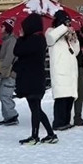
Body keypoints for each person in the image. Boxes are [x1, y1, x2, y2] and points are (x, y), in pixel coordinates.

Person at [13, 14, 57, 145]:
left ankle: (35, 136)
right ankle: (50, 134)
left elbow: (18, 51)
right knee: (37, 107)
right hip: (35, 78)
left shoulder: (35, 39)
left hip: (32, 79)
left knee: (35, 107)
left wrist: (20, 38)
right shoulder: (39, 38)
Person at [46, 10, 81, 132]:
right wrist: (64, 28)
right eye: (66, 22)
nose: (68, 25)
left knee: (69, 97)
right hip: (60, 70)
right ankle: (58, 122)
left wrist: (74, 40)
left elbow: (75, 52)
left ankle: (66, 121)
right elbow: (51, 38)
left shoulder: (66, 38)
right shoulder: (51, 32)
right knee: (61, 97)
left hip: (70, 71)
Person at [0, 19, 19, 126]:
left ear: (7, 28)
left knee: (5, 94)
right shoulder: (6, 40)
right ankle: (7, 116)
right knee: (2, 93)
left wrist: (2, 69)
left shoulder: (12, 40)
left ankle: (12, 116)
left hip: (9, 72)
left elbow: (9, 57)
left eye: (3, 26)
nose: (0, 28)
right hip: (6, 72)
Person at [71, 25, 83, 127]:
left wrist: (82, 29)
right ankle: (64, 116)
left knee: (80, 92)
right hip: (68, 67)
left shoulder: (76, 34)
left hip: (79, 65)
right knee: (69, 93)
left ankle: (78, 116)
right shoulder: (59, 34)